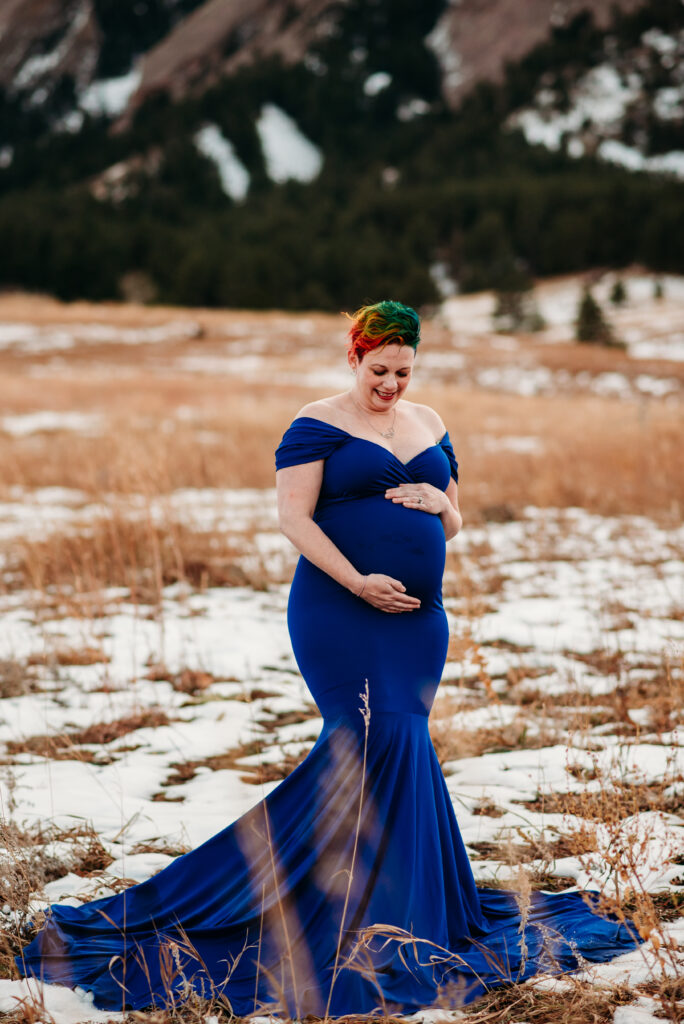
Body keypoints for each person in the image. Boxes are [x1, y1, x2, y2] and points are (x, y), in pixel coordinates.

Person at [17, 301, 639, 1015]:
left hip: (418, 623)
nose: (391, 386)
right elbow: (292, 517)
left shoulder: (430, 423)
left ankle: (402, 910)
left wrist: (441, 499)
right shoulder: (316, 422)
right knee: (365, 740)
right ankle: (303, 904)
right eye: (379, 371)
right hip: (339, 609)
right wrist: (357, 582)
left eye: (404, 371)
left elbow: (456, 522)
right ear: (354, 357)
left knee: (399, 745)